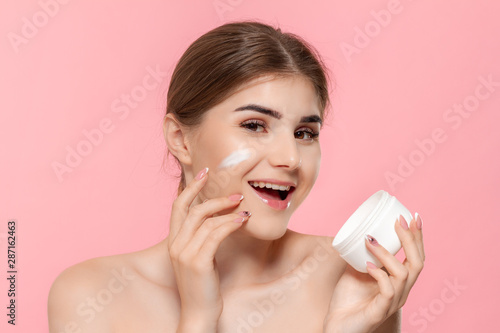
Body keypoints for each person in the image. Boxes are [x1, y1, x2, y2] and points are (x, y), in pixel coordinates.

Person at [48, 21, 425, 332]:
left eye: (305, 133)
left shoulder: (352, 280)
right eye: (254, 125)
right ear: (180, 139)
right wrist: (198, 317)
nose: (290, 157)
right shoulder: (89, 295)